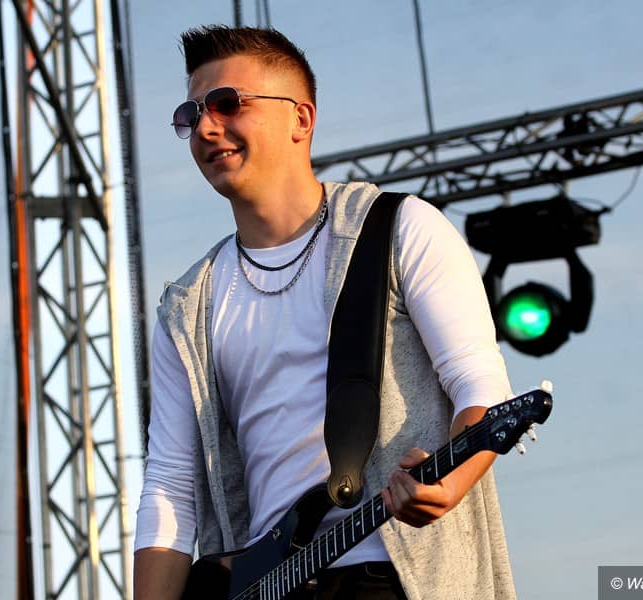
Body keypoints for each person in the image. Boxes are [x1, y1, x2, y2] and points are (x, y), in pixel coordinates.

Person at [134, 25, 517, 600]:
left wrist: (450, 483)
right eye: (192, 114)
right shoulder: (188, 306)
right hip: (269, 584)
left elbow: (479, 383)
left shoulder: (399, 229)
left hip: (397, 577)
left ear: (301, 119)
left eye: (228, 104)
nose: (207, 127)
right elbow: (170, 484)